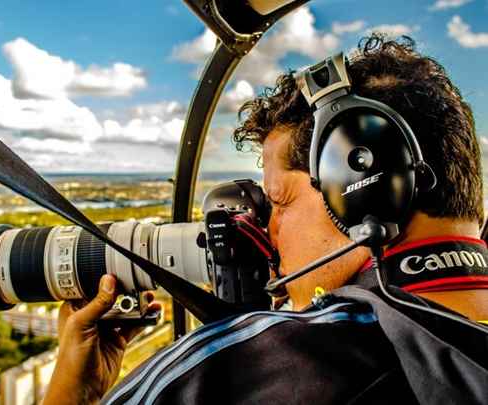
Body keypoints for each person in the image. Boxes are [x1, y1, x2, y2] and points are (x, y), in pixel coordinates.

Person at [43, 35, 488, 405]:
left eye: (280, 202)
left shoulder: (244, 374)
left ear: (359, 182)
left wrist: (75, 391)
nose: (269, 230)